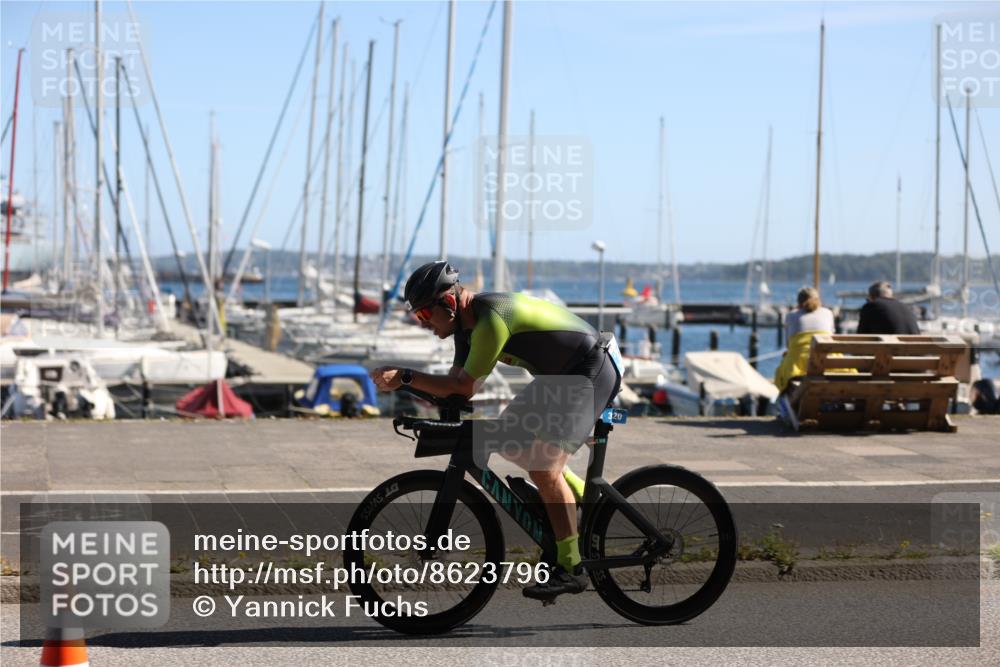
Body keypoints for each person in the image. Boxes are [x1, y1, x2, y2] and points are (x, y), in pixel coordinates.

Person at [370, 260, 621, 600]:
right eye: (418, 318)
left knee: (544, 468)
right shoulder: (465, 330)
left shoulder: (490, 319)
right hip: (560, 377)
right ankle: (573, 498)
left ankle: (571, 567)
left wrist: (405, 377)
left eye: (425, 316)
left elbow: (463, 385)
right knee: (505, 438)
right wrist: (408, 390)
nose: (423, 324)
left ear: (448, 303)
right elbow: (455, 392)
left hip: (590, 369)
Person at [774, 287, 835, 396]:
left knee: (782, 370)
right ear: (818, 300)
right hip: (829, 364)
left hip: (800, 367)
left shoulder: (791, 316)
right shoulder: (828, 313)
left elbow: (788, 345)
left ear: (798, 302)